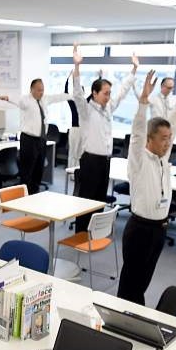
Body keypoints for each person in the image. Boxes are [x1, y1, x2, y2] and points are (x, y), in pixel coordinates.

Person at [117, 68, 176, 306]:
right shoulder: (139, 159)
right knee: (131, 282)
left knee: (143, 280)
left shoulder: (163, 157)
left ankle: (133, 313)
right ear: (150, 139)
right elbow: (137, 132)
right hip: (140, 229)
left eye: (169, 138)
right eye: (163, 138)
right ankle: (124, 315)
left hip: (160, 228)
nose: (168, 142)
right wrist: (144, 101)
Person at [71, 44, 137, 232]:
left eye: (109, 93)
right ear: (94, 93)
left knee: (99, 199)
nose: (109, 96)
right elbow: (77, 93)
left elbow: (123, 91)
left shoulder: (108, 107)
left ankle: (95, 232)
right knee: (87, 200)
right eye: (105, 93)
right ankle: (81, 233)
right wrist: (77, 67)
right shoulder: (85, 110)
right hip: (90, 161)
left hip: (105, 161)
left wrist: (134, 69)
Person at [0, 77, 71, 196]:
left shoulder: (44, 99)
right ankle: (24, 196)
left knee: (39, 169)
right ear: (32, 90)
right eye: (39, 90)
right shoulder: (26, 100)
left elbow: (57, 97)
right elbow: (17, 100)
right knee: (27, 170)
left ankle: (35, 194)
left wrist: (71, 96)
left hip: (41, 140)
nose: (42, 92)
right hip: (29, 140)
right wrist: (7, 98)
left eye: (43, 90)